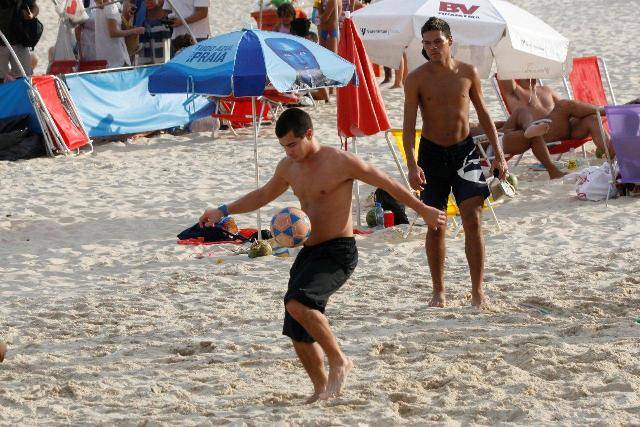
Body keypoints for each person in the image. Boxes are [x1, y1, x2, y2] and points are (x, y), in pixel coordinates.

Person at [198, 108, 446, 403]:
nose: (288, 152)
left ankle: (339, 360)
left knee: (298, 303)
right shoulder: (288, 168)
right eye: (283, 147)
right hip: (309, 252)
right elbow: (262, 195)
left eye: (292, 144)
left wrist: (425, 210)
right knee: (296, 325)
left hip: (339, 251)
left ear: (309, 134)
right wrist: (222, 210)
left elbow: (387, 183)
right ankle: (321, 390)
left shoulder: (340, 161)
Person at [403, 17, 507, 309]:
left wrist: (498, 153)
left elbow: (484, 114)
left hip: (465, 152)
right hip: (432, 155)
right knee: (436, 225)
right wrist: (412, 164)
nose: (433, 47)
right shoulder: (416, 78)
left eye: (438, 41)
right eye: (427, 43)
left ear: (450, 41)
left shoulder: (468, 72)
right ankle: (439, 292)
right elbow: (409, 125)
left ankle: (477, 292)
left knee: (473, 219)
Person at [498, 78, 614, 157]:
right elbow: (503, 69)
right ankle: (610, 111)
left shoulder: (546, 90)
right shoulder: (515, 93)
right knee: (564, 104)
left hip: (565, 129)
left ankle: (613, 154)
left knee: (592, 119)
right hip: (543, 136)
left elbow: (569, 112)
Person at [94, 0, 145, 68]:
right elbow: (113, 33)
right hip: (115, 58)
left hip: (106, 57)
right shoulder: (110, 7)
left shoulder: (101, 7)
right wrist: (135, 31)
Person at [0, 0, 39, 81]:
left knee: (24, 77)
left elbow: (34, 6)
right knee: (1, 78)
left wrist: (31, 16)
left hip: (20, 41)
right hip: (1, 43)